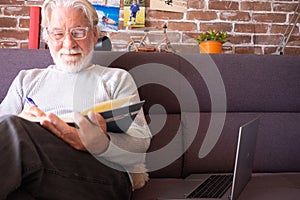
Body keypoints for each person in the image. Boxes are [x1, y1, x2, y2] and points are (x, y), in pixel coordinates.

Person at [0, 0, 151, 199]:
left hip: (104, 174)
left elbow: (141, 145)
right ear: (48, 38)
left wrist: (98, 143)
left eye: (78, 32)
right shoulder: (26, 80)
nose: (69, 43)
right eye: (58, 34)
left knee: (14, 129)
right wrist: (25, 121)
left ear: (95, 34)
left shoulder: (116, 79)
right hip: (36, 172)